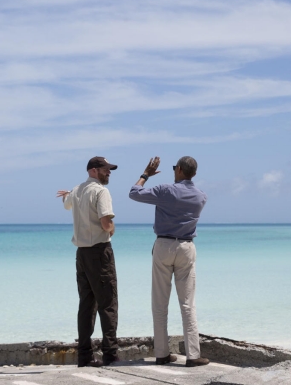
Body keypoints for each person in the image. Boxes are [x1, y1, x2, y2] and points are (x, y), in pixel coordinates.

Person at [129, 156, 209, 367]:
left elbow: (133, 193)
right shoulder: (201, 197)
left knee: (160, 302)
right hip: (186, 247)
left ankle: (162, 353)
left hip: (164, 246)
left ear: (179, 169)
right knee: (188, 304)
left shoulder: (166, 190)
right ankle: (193, 355)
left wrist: (145, 174)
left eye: (175, 168)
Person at [56, 156, 120, 368]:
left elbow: (67, 205)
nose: (108, 172)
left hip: (81, 254)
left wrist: (68, 195)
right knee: (108, 304)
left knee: (86, 305)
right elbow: (105, 222)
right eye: (105, 169)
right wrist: (112, 228)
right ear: (94, 170)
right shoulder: (101, 191)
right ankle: (111, 355)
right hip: (99, 252)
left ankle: (84, 356)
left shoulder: (77, 189)